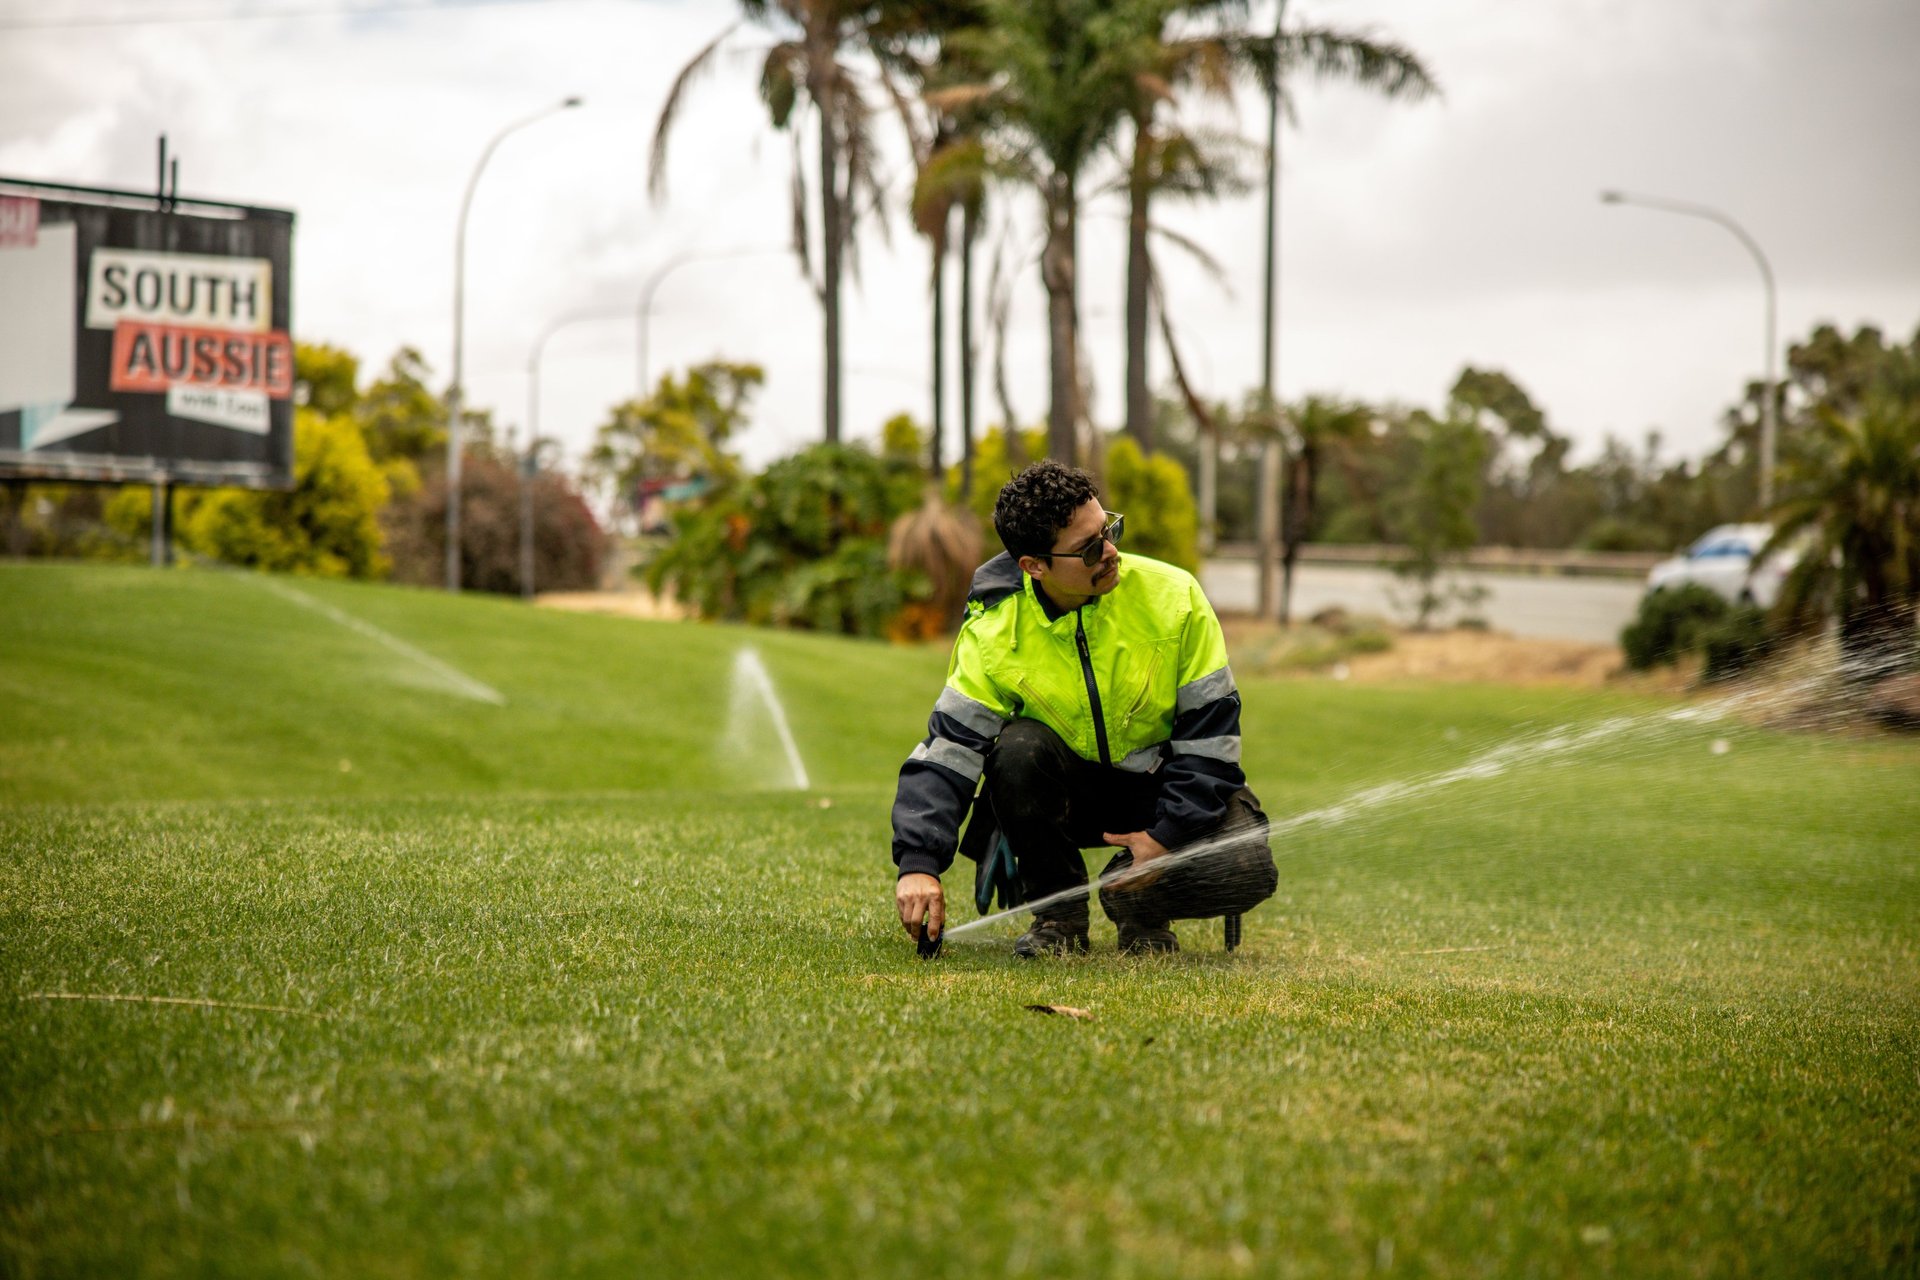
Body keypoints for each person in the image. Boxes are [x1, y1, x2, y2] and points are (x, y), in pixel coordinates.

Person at [891, 460, 1277, 956]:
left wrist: (1165, 838)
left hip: (1166, 791)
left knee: (1246, 867)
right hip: (1066, 801)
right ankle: (1059, 916)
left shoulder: (1175, 596)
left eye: (1109, 530)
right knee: (1017, 749)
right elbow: (948, 751)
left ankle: (1141, 905)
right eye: (1089, 549)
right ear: (1035, 566)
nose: (1111, 552)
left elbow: (1211, 739)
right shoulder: (993, 631)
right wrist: (919, 863)